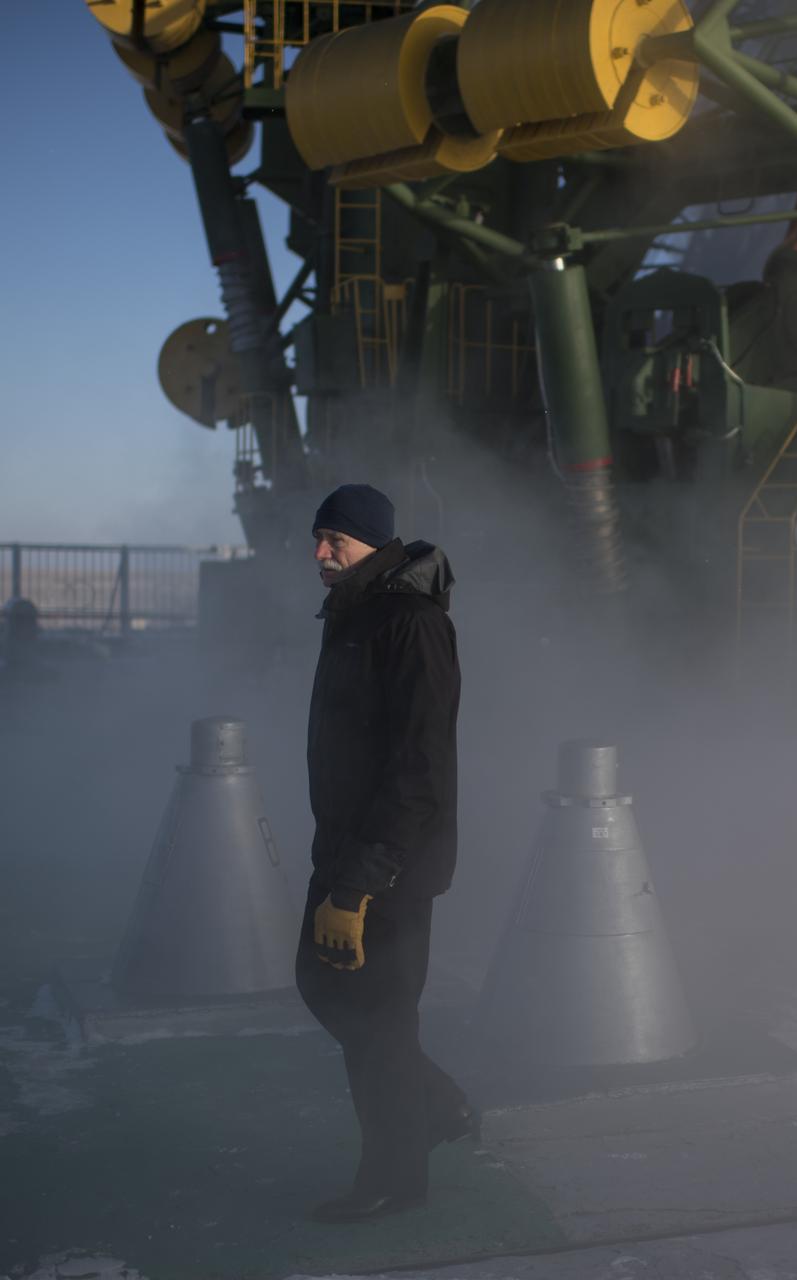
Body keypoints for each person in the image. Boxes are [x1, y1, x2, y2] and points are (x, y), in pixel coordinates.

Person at [295, 482, 477, 1225]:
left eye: (335, 539)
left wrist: (359, 885)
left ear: (373, 541)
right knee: (325, 986)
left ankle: (395, 1179)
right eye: (317, 539)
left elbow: (419, 772)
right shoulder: (355, 616)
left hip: (387, 867)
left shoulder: (410, 624)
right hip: (348, 851)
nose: (320, 554)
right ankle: (438, 1107)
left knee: (377, 1019)